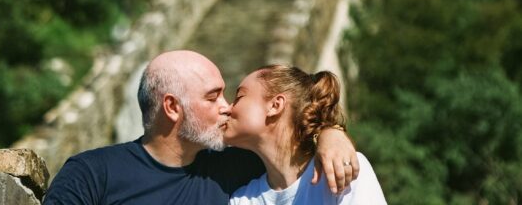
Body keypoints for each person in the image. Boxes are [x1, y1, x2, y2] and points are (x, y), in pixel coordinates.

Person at [43, 50, 359, 204]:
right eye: (213, 97)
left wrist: (330, 132)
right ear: (172, 107)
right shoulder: (93, 173)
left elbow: (289, 146)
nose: (227, 107)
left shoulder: (239, 169)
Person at [225, 65, 387, 205]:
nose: (228, 108)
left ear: (275, 105)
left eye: (239, 97)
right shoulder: (242, 199)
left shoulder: (342, 170)